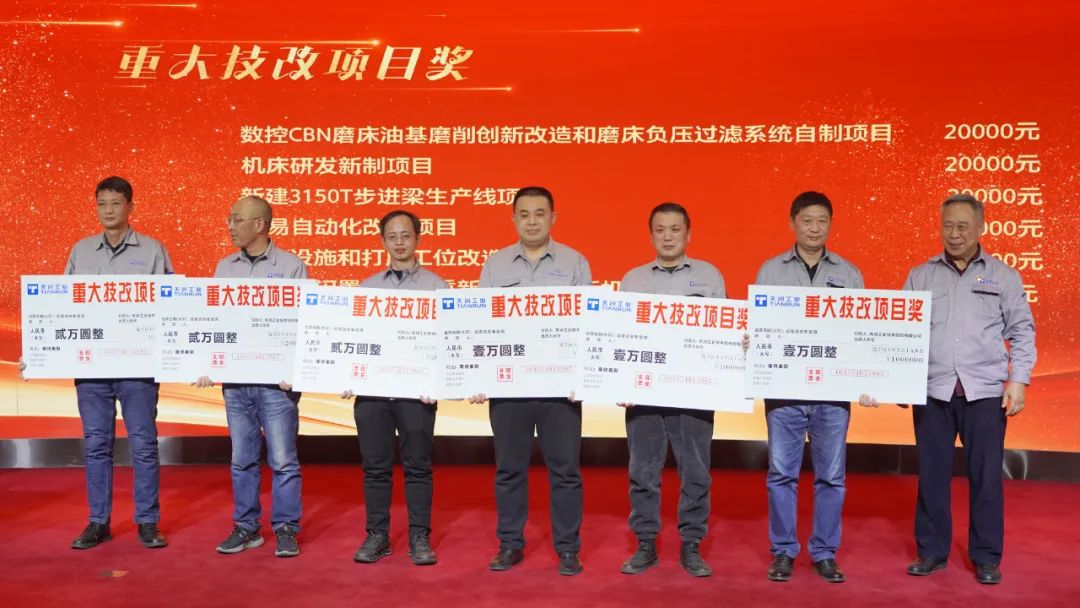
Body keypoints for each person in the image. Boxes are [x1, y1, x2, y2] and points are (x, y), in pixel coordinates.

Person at [863, 193, 1035, 584]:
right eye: (947, 226)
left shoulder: (1004, 276)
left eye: (962, 226)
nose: (954, 234)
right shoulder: (920, 276)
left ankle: (986, 556)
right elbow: (899, 333)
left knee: (986, 477)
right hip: (932, 390)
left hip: (985, 393)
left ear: (980, 228)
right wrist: (895, 381)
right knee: (932, 476)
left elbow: (1023, 331)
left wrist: (1019, 380)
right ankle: (931, 551)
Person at [468, 186, 591, 576]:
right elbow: (481, 323)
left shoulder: (575, 262)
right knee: (509, 469)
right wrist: (478, 376)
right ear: (513, 219)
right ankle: (510, 544)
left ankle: (568, 548)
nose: (532, 221)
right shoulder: (495, 264)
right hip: (509, 387)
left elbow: (587, 325)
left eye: (540, 213)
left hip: (559, 389)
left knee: (566, 471)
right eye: (524, 214)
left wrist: (583, 378)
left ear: (553, 218)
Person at [754, 191, 866, 583]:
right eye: (807, 220)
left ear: (830, 224)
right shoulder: (771, 271)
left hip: (832, 395)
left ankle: (824, 552)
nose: (814, 228)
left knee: (832, 477)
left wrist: (871, 378)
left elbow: (863, 334)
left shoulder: (849, 274)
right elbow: (758, 327)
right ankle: (783, 551)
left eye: (822, 221)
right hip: (784, 394)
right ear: (793, 223)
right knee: (781, 475)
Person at [58, 175, 173, 550]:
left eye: (115, 203)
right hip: (92, 369)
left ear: (130, 207)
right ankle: (98, 522)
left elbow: (172, 304)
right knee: (96, 445)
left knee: (143, 445)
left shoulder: (153, 250)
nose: (108, 210)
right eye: (101, 204)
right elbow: (61, 306)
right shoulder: (81, 251)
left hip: (138, 368)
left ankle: (148, 522)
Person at [194, 195, 309, 557]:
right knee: (242, 459)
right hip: (237, 383)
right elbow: (214, 321)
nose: (230, 226)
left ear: (259, 224)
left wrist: (296, 370)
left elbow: (304, 325)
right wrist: (206, 364)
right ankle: (246, 526)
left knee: (283, 460)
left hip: (277, 385)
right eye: (229, 219)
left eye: (237, 219)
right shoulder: (224, 268)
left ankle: (286, 528)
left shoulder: (291, 266)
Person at [617, 202, 726, 577]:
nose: (668, 237)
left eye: (675, 229)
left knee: (696, 473)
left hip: (694, 395)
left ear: (688, 234)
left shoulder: (710, 276)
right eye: (660, 230)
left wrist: (738, 344)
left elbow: (723, 333)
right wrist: (620, 382)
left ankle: (692, 545)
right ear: (651, 236)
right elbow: (620, 337)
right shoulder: (632, 280)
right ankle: (645, 543)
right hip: (644, 394)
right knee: (643, 472)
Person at [347, 210, 448, 566]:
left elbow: (446, 343)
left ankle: (419, 535)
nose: (400, 242)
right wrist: (346, 375)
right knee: (375, 467)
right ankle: (377, 535)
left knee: (418, 467)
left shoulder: (438, 287)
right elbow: (353, 339)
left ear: (418, 238)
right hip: (373, 394)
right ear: (383, 241)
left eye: (406, 235)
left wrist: (437, 381)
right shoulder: (367, 288)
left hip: (417, 395)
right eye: (393, 236)